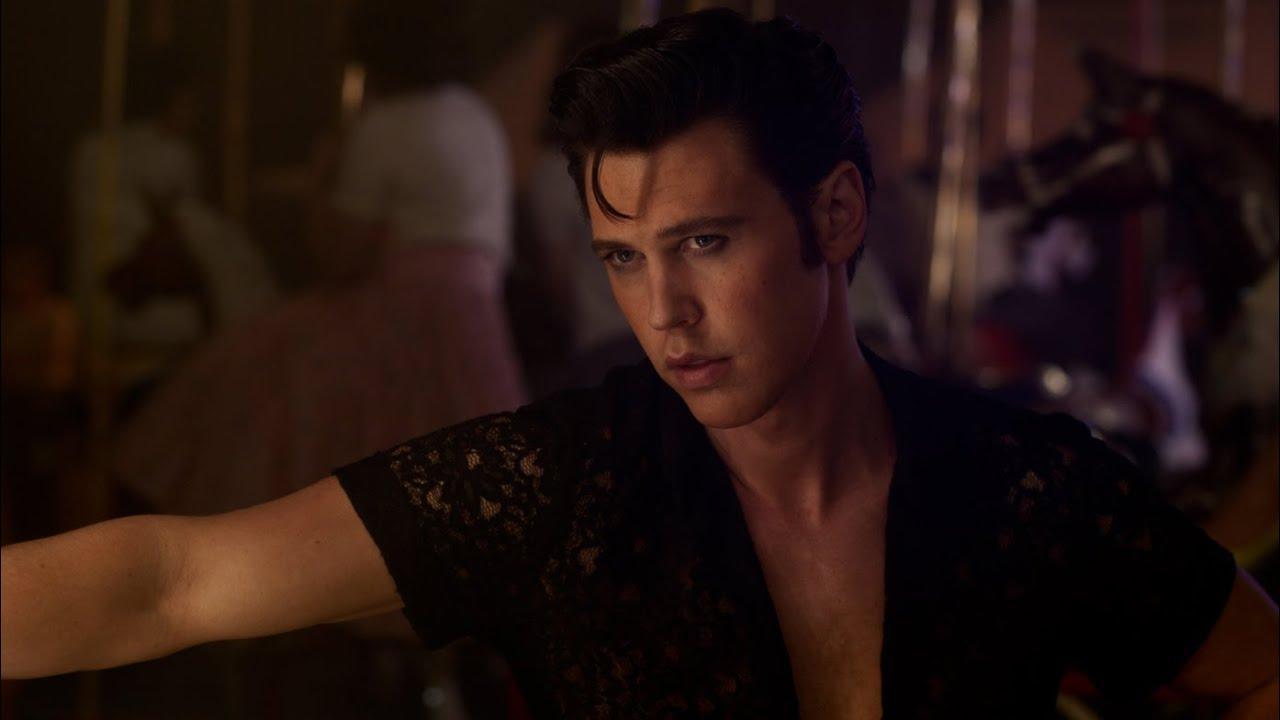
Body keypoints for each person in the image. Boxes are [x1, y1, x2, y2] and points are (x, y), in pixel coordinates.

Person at [3, 10, 1277, 719]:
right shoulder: (563, 482)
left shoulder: (1026, 485)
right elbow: (169, 580)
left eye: (704, 243)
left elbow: (1260, 665)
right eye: (621, 257)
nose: (662, 311)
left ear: (834, 215)